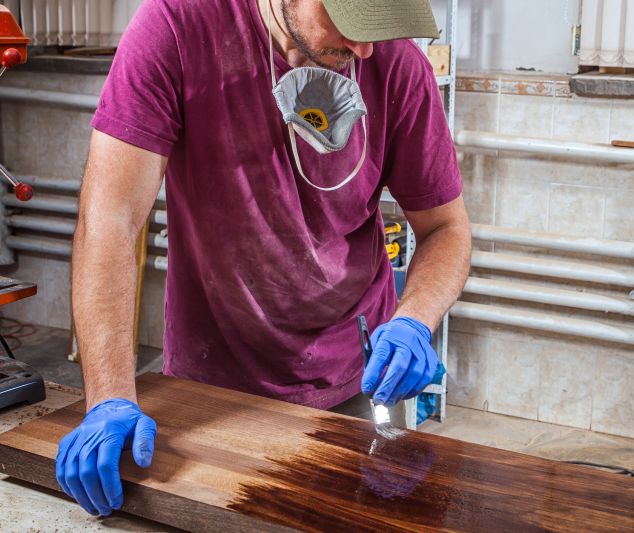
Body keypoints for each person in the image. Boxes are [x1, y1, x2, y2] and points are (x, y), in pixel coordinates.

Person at [55, 0, 471, 517]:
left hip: (355, 380)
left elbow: (446, 229)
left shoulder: (397, 66)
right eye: (353, 24)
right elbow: (111, 218)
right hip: (210, 387)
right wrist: (109, 396)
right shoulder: (178, 28)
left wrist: (413, 320)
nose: (365, 49)